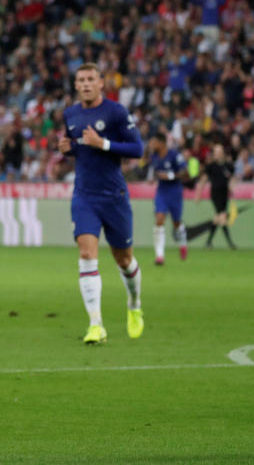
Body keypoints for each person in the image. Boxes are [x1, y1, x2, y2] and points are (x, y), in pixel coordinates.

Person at [58, 63, 145, 345]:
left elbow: (137, 149)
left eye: (90, 79)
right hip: (84, 196)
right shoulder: (70, 114)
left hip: (114, 197)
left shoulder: (116, 112)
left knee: (124, 259)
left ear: (100, 84)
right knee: (87, 255)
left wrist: (103, 144)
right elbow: (78, 148)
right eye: (80, 80)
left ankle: (134, 304)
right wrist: (69, 150)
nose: (85, 84)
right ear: (75, 85)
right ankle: (96, 325)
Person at [147, 133, 189, 265]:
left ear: (161, 143)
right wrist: (152, 178)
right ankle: (159, 256)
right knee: (159, 219)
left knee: (176, 223)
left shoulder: (175, 155)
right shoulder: (153, 157)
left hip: (175, 192)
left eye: (154, 142)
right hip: (162, 192)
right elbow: (153, 172)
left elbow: (186, 172)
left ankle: (182, 245)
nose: (152, 145)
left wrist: (170, 175)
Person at [195, 143, 237, 249]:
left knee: (217, 218)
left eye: (219, 152)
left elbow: (232, 178)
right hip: (215, 195)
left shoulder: (229, 166)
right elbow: (203, 180)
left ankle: (208, 242)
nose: (217, 154)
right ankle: (230, 243)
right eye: (216, 152)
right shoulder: (211, 167)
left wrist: (232, 187)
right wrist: (199, 194)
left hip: (224, 194)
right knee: (222, 216)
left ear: (223, 153)